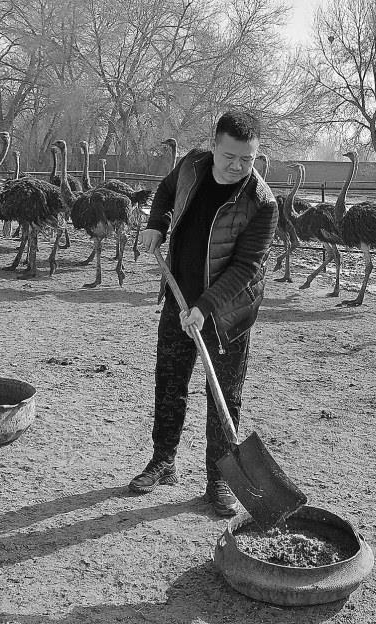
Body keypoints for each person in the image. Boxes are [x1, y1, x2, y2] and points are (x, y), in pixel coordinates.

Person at [129, 110, 279, 516]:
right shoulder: (192, 165)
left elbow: (247, 268)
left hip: (226, 313)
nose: (238, 166)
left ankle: (219, 480)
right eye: (230, 155)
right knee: (170, 380)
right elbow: (164, 189)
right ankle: (163, 461)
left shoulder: (261, 204)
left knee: (223, 398)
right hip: (179, 299)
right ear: (214, 145)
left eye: (247, 159)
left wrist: (205, 307)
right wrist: (157, 223)